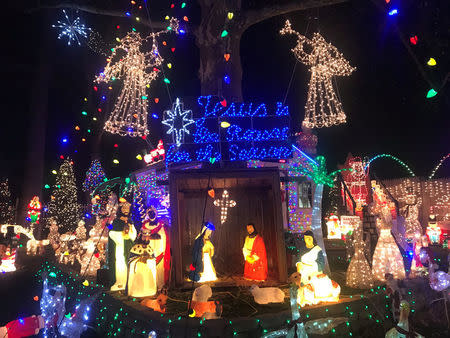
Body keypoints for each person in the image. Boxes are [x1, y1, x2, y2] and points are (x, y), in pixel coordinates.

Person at [127, 206, 168, 297]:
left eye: (152, 212)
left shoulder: (161, 225)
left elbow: (163, 237)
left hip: (158, 250)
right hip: (148, 250)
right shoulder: (144, 225)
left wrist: (162, 250)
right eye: (149, 213)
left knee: (159, 271)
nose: (151, 214)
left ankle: (160, 287)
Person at [108, 199, 136, 291]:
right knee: (120, 264)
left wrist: (130, 231)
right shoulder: (116, 221)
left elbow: (133, 234)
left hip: (129, 246)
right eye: (124, 207)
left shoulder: (131, 221)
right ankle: (120, 282)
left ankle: (129, 281)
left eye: (127, 207)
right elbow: (111, 231)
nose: (126, 209)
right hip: (120, 246)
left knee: (128, 263)